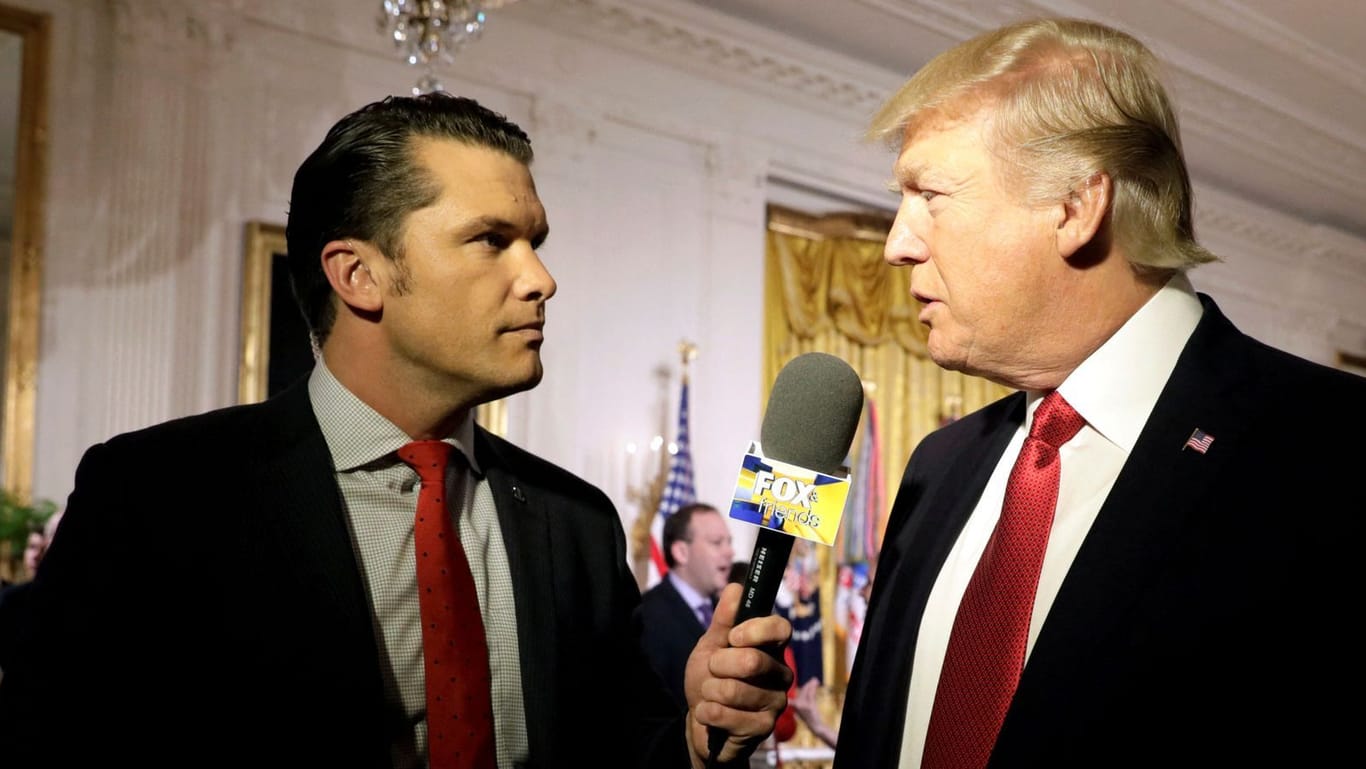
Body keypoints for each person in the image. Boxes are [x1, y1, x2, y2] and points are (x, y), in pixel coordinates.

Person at [0, 93, 792, 769]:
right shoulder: (161, 497)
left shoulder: (575, 522)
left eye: (535, 244)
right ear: (359, 275)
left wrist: (690, 739)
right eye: (491, 240)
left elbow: (613, 747)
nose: (541, 279)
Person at [835, 17, 1366, 769]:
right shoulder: (938, 466)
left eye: (931, 195)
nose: (897, 242)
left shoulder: (1334, 452)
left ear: (1077, 206)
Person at [634, 502, 735, 710]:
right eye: (717, 543)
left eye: (729, 542)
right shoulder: (647, 616)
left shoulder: (728, 612)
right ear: (681, 552)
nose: (730, 552)